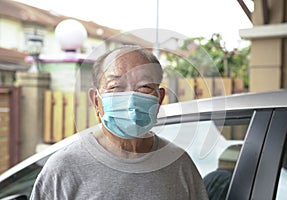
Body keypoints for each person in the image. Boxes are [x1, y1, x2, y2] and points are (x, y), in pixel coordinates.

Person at [30, 45, 209, 200]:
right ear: (96, 101)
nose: (130, 99)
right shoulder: (64, 168)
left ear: (159, 98)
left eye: (144, 87)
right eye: (115, 87)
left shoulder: (179, 164)